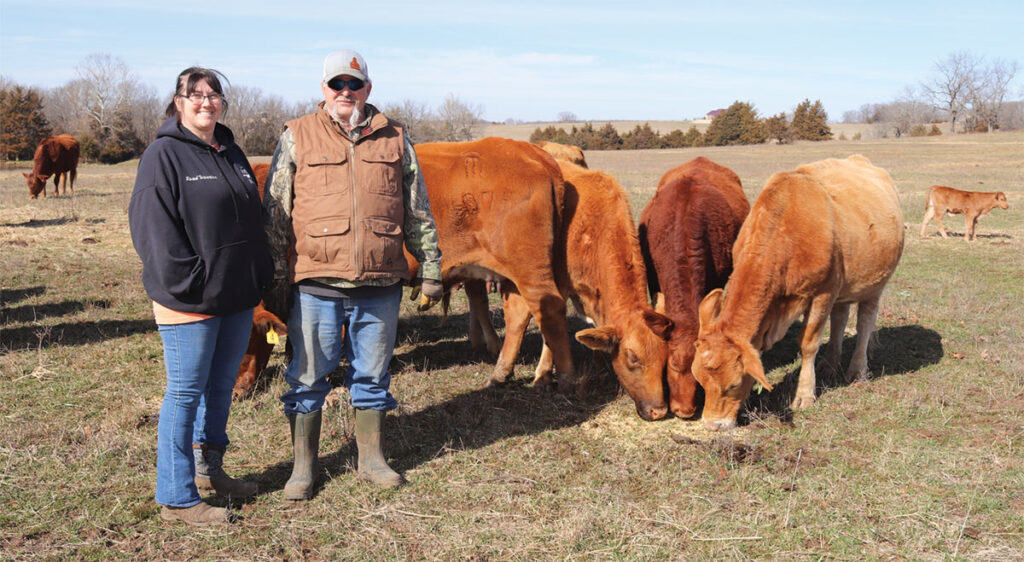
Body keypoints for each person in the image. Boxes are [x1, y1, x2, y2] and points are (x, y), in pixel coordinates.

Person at [262, 49, 442, 498]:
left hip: (380, 284)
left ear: (368, 88)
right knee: (306, 377)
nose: (346, 92)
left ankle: (372, 458)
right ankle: (303, 468)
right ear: (323, 89)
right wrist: (272, 280)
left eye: (355, 84)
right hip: (317, 285)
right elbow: (275, 215)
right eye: (337, 84)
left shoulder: (395, 137)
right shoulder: (297, 135)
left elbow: (418, 209)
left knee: (374, 375)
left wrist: (432, 266)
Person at [129, 67, 273, 525]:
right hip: (188, 300)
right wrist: (189, 283)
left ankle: (211, 471)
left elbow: (249, 221)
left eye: (214, 95)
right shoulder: (162, 155)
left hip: (235, 297)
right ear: (178, 102)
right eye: (196, 95)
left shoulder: (229, 151)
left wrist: (257, 272)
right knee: (185, 393)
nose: (206, 102)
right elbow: (152, 231)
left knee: (219, 388)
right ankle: (176, 496)